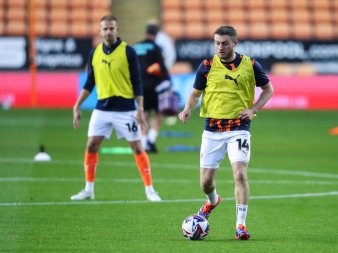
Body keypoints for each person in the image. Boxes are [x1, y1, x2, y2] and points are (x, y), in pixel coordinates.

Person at [178, 26, 274, 240]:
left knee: (240, 174)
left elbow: (269, 89)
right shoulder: (206, 66)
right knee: (205, 183)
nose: (220, 47)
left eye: (225, 43)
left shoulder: (250, 65)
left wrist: (253, 109)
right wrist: (186, 109)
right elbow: (195, 94)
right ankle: (212, 201)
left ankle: (241, 225)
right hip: (212, 129)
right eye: (217, 43)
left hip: (239, 128)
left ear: (235, 43)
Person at [70, 15, 161, 202]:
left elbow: (137, 81)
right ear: (100, 31)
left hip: (126, 109)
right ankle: (88, 189)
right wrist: (77, 105)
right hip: (102, 109)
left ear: (117, 30)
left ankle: (150, 190)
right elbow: (89, 82)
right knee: (91, 144)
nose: (109, 31)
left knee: (137, 147)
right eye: (105, 29)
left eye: (112, 28)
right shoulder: (94, 54)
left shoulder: (128, 51)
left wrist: (139, 108)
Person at [133, 24, 171, 153]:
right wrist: (167, 81)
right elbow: (162, 66)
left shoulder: (135, 47)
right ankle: (152, 139)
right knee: (159, 112)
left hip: (138, 86)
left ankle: (143, 142)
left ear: (146, 33)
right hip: (154, 85)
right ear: (156, 35)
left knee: (144, 114)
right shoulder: (156, 47)